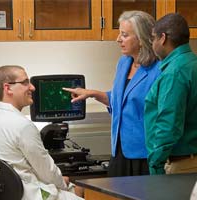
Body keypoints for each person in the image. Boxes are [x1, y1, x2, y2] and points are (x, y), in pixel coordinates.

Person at [63, 11, 161, 177]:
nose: (118, 39)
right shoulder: (124, 62)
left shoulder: (158, 69)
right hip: (119, 149)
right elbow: (120, 101)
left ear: (142, 38)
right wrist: (92, 93)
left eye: (124, 35)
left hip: (144, 152)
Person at [0, 65, 84, 200]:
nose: (32, 87)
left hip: (8, 193)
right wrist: (64, 184)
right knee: (82, 191)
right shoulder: (22, 125)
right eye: (25, 82)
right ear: (8, 88)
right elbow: (47, 172)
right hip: (31, 194)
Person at [144, 13, 197, 175]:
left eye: (153, 39)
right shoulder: (192, 64)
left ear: (163, 38)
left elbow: (169, 125)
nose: (152, 44)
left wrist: (155, 165)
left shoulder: (174, 73)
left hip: (181, 165)